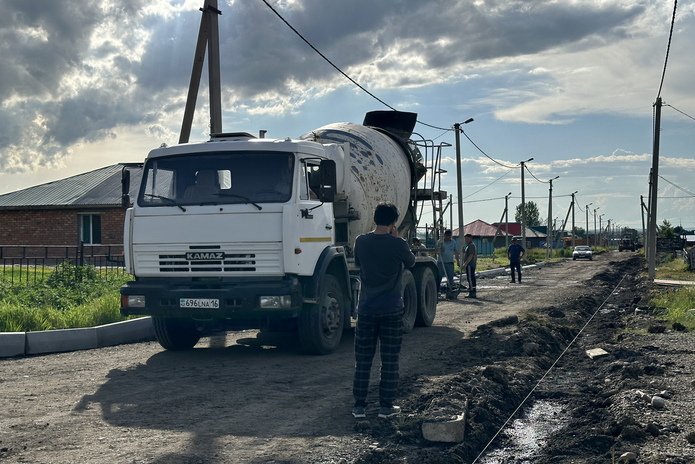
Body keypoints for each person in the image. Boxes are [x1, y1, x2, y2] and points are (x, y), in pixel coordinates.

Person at [352, 202, 415, 419]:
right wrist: (396, 238)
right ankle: (385, 407)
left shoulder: (361, 241)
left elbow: (358, 262)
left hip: (366, 309)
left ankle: (359, 406)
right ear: (393, 222)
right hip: (391, 309)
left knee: (363, 359)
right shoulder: (398, 244)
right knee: (389, 360)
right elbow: (411, 262)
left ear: (374, 219)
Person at [436, 230, 461, 298]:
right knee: (439, 277)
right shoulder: (440, 242)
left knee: (450, 278)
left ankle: (449, 292)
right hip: (441, 263)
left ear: (450, 236)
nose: (447, 237)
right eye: (446, 235)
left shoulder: (453, 242)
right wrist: (440, 250)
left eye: (449, 236)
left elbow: (456, 252)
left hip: (450, 262)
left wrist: (458, 261)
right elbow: (436, 252)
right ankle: (437, 291)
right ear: (444, 235)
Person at [462, 233, 477, 298]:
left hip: (470, 264)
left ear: (471, 238)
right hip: (470, 265)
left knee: (470, 278)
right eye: (465, 239)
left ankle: (472, 292)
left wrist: (465, 263)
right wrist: (464, 252)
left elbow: (471, 255)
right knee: (470, 278)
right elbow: (468, 254)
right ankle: (472, 291)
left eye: (467, 238)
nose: (466, 240)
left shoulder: (471, 245)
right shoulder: (469, 246)